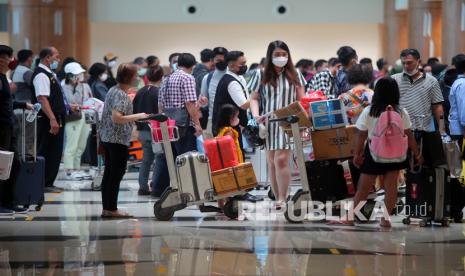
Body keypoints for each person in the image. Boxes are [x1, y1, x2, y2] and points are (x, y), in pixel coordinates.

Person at [344, 77, 421, 228]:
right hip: (397, 154)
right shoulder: (401, 111)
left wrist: (357, 154)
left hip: (374, 153)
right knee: (391, 187)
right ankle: (386, 219)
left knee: (364, 187)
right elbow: (409, 134)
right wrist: (417, 153)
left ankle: (350, 217)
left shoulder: (370, 111)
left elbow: (361, 135)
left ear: (377, 92)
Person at [249, 40, 306, 209]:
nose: (281, 57)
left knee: (281, 160)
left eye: (284, 54)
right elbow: (253, 98)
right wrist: (256, 115)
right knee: (272, 161)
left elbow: (301, 100)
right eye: (277, 55)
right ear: (270, 56)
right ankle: (277, 196)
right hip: (268, 124)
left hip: (288, 122)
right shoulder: (260, 74)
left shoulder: (295, 74)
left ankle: (283, 197)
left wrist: (302, 122)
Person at [99, 63, 149, 218]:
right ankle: (111, 209)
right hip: (117, 140)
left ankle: (107, 208)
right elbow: (117, 117)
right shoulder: (120, 94)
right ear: (128, 77)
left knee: (109, 174)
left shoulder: (114, 90)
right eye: (135, 75)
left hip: (108, 137)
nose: (138, 78)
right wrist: (139, 116)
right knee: (115, 174)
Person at [33, 47, 78, 193]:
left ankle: (49, 182)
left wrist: (68, 106)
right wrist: (52, 119)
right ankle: (44, 183)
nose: (58, 60)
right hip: (48, 119)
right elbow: (42, 98)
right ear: (47, 58)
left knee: (55, 151)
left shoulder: (50, 73)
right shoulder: (41, 75)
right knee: (48, 150)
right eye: (56, 57)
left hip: (57, 116)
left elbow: (53, 97)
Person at [392, 49, 445, 166]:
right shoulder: (394, 80)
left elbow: (437, 107)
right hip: (399, 132)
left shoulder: (431, 81)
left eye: (409, 62)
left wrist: (442, 131)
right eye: (403, 63)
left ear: (419, 61)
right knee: (400, 168)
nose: (406, 66)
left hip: (423, 132)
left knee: (422, 168)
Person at [0, 45, 31, 215]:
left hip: (9, 126)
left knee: (13, 164)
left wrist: (23, 104)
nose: (11, 61)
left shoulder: (4, 78)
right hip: (2, 127)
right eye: (7, 57)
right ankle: (4, 202)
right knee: (3, 166)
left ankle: (8, 200)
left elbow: (7, 102)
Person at [158, 53, 204, 156]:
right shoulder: (187, 78)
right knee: (188, 158)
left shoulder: (166, 79)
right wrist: (197, 124)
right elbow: (189, 103)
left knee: (175, 158)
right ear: (193, 65)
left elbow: (160, 104)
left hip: (169, 125)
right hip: (185, 125)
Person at [133, 66, 164, 196]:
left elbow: (134, 111)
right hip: (155, 130)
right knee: (159, 158)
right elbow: (161, 112)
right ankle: (156, 185)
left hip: (142, 130)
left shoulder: (140, 92)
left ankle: (142, 186)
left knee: (146, 159)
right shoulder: (159, 92)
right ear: (161, 78)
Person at [62, 62, 93, 181]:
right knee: (72, 144)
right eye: (77, 74)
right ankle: (69, 170)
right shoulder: (64, 87)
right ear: (70, 76)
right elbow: (69, 102)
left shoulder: (85, 86)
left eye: (81, 73)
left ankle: (76, 168)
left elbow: (90, 100)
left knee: (81, 145)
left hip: (84, 116)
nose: (80, 76)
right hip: (73, 117)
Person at [212, 51, 249, 136]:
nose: (245, 66)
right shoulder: (232, 82)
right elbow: (244, 105)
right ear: (231, 66)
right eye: (242, 64)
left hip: (230, 126)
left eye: (245, 63)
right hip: (228, 130)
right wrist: (256, 99)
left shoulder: (236, 78)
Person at [200, 47, 228, 136]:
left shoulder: (236, 76)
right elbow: (203, 102)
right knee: (214, 149)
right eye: (218, 60)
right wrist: (203, 102)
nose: (222, 61)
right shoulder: (207, 78)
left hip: (232, 121)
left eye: (224, 59)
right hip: (213, 120)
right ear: (212, 60)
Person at [448, 54, 465, 147]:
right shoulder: (463, 84)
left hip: (458, 129)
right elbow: (464, 109)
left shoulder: (459, 82)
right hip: (461, 131)